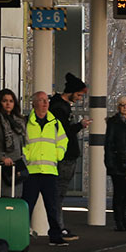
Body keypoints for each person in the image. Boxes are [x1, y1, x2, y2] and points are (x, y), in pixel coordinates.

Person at [22, 91, 69, 246]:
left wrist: (58, 154)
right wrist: (27, 156)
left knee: (53, 206)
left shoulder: (54, 122)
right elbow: (21, 144)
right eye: (41, 100)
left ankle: (55, 236)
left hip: (49, 171)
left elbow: (63, 141)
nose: (45, 103)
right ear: (34, 103)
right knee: (26, 206)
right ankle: (21, 236)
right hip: (32, 171)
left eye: (46, 100)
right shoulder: (26, 123)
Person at [48, 72, 90, 241]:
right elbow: (64, 132)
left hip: (63, 155)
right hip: (64, 156)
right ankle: (58, 228)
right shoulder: (60, 108)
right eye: (79, 94)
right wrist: (79, 126)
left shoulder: (59, 105)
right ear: (71, 91)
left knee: (58, 193)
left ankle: (58, 226)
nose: (80, 98)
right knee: (59, 193)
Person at [104, 95, 126, 231]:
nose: (124, 107)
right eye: (121, 105)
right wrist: (110, 163)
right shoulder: (113, 123)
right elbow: (108, 144)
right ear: (118, 107)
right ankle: (119, 222)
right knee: (119, 193)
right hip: (117, 163)